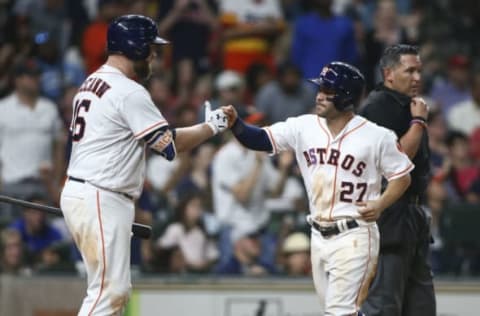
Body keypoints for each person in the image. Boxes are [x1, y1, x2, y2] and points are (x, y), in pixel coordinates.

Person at [60, 15, 229, 315]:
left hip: (89, 192)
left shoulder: (92, 81)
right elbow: (168, 145)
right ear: (133, 47)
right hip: (101, 194)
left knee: (112, 290)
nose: (154, 55)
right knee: (109, 292)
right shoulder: (128, 91)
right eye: (150, 47)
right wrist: (210, 128)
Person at [223, 61, 413, 315]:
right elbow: (260, 139)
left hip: (354, 235)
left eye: (328, 91)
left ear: (346, 97)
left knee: (339, 310)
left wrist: (381, 203)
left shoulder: (377, 136)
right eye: (320, 88)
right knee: (341, 310)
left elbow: (402, 176)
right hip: (318, 236)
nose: (319, 95)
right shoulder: (304, 126)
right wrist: (236, 124)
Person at [359, 44, 436, 316]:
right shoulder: (380, 106)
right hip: (388, 212)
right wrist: (418, 123)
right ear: (388, 73)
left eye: (419, 71)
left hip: (411, 211)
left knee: (420, 305)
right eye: (410, 71)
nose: (417, 77)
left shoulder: (408, 106)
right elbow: (396, 160)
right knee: (384, 304)